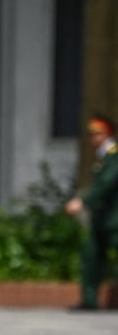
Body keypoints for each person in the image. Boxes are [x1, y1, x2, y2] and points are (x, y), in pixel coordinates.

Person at [64, 116, 118, 310]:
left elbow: (107, 183)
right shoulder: (103, 157)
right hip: (101, 219)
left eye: (96, 133)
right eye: (91, 134)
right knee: (91, 255)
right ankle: (89, 300)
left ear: (108, 134)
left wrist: (83, 201)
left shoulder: (114, 155)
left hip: (114, 219)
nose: (92, 138)